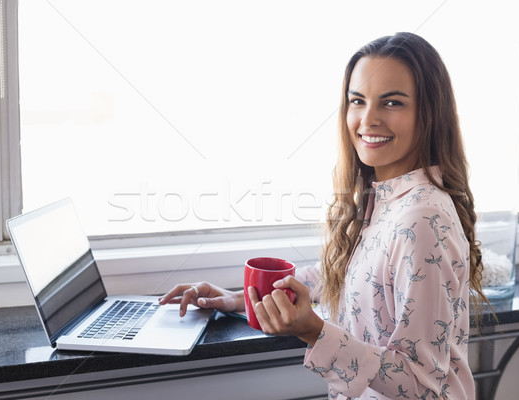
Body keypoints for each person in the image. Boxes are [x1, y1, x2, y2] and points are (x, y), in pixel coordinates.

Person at [160, 32, 489, 399]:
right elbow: (352, 275)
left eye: (392, 102)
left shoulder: (423, 219)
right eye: (357, 101)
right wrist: (242, 299)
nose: (368, 119)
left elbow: (421, 385)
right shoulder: (385, 197)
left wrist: (314, 330)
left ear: (429, 114)